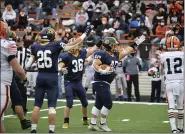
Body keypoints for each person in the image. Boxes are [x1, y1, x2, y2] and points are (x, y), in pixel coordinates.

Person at [26, 26, 93, 133]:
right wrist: (85, 33)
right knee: (51, 106)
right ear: (51, 36)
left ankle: (33, 129)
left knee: (37, 105)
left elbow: (27, 65)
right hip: (52, 77)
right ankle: (51, 130)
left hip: (40, 76)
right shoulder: (56, 45)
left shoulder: (35, 46)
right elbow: (72, 44)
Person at [88, 36, 146, 132]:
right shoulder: (101, 53)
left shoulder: (115, 55)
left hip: (105, 82)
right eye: (114, 45)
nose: (116, 46)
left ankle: (92, 124)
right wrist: (101, 71)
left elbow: (127, 50)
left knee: (98, 104)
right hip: (100, 81)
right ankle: (102, 124)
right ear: (109, 45)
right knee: (108, 103)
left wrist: (137, 42)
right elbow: (95, 64)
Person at [58, 37, 101, 129]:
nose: (73, 47)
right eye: (72, 45)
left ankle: (85, 119)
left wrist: (100, 41)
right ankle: (66, 122)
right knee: (69, 102)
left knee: (85, 102)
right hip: (69, 82)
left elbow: (93, 49)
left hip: (78, 82)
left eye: (75, 45)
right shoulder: (65, 55)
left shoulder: (82, 53)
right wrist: (61, 69)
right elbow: (59, 65)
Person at [0, 21, 28, 133]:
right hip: (2, 84)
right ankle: (23, 121)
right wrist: (25, 79)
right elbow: (19, 70)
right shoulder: (7, 44)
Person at [160, 36, 184, 133]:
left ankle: (174, 129)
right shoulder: (183, 54)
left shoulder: (163, 55)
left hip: (169, 82)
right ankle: (181, 128)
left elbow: (161, 71)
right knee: (180, 106)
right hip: (181, 82)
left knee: (171, 107)